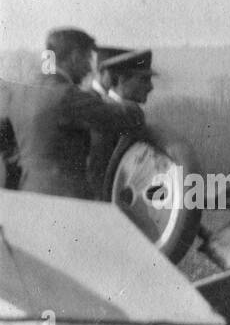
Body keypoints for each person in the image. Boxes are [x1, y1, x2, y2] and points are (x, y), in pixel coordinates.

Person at [0, 27, 142, 199]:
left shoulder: (21, 92)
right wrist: (128, 102)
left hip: (28, 191)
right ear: (75, 57)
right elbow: (121, 117)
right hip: (67, 197)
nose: (89, 69)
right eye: (87, 59)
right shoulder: (66, 95)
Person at [86, 49, 158, 196]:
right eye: (144, 79)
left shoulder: (118, 114)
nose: (151, 87)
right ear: (122, 79)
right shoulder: (112, 118)